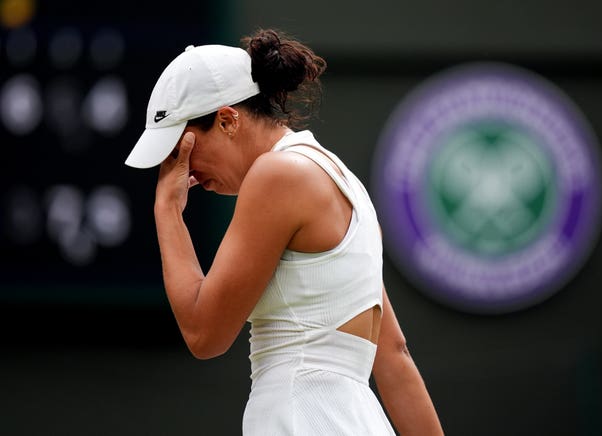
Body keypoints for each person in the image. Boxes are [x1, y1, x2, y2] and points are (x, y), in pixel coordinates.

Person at [125, 28, 443, 435]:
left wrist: (167, 209)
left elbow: (204, 334)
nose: (179, 169)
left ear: (226, 120)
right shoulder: (346, 185)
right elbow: (394, 355)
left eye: (180, 149)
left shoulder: (277, 175)